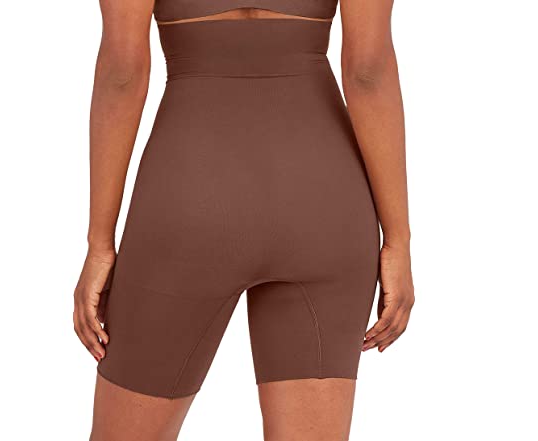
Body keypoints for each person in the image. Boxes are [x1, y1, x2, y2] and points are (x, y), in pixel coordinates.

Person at [73, 0, 415, 439]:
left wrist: (99, 244)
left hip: (189, 194)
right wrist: (397, 240)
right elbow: (368, 71)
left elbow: (123, 72)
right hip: (323, 197)